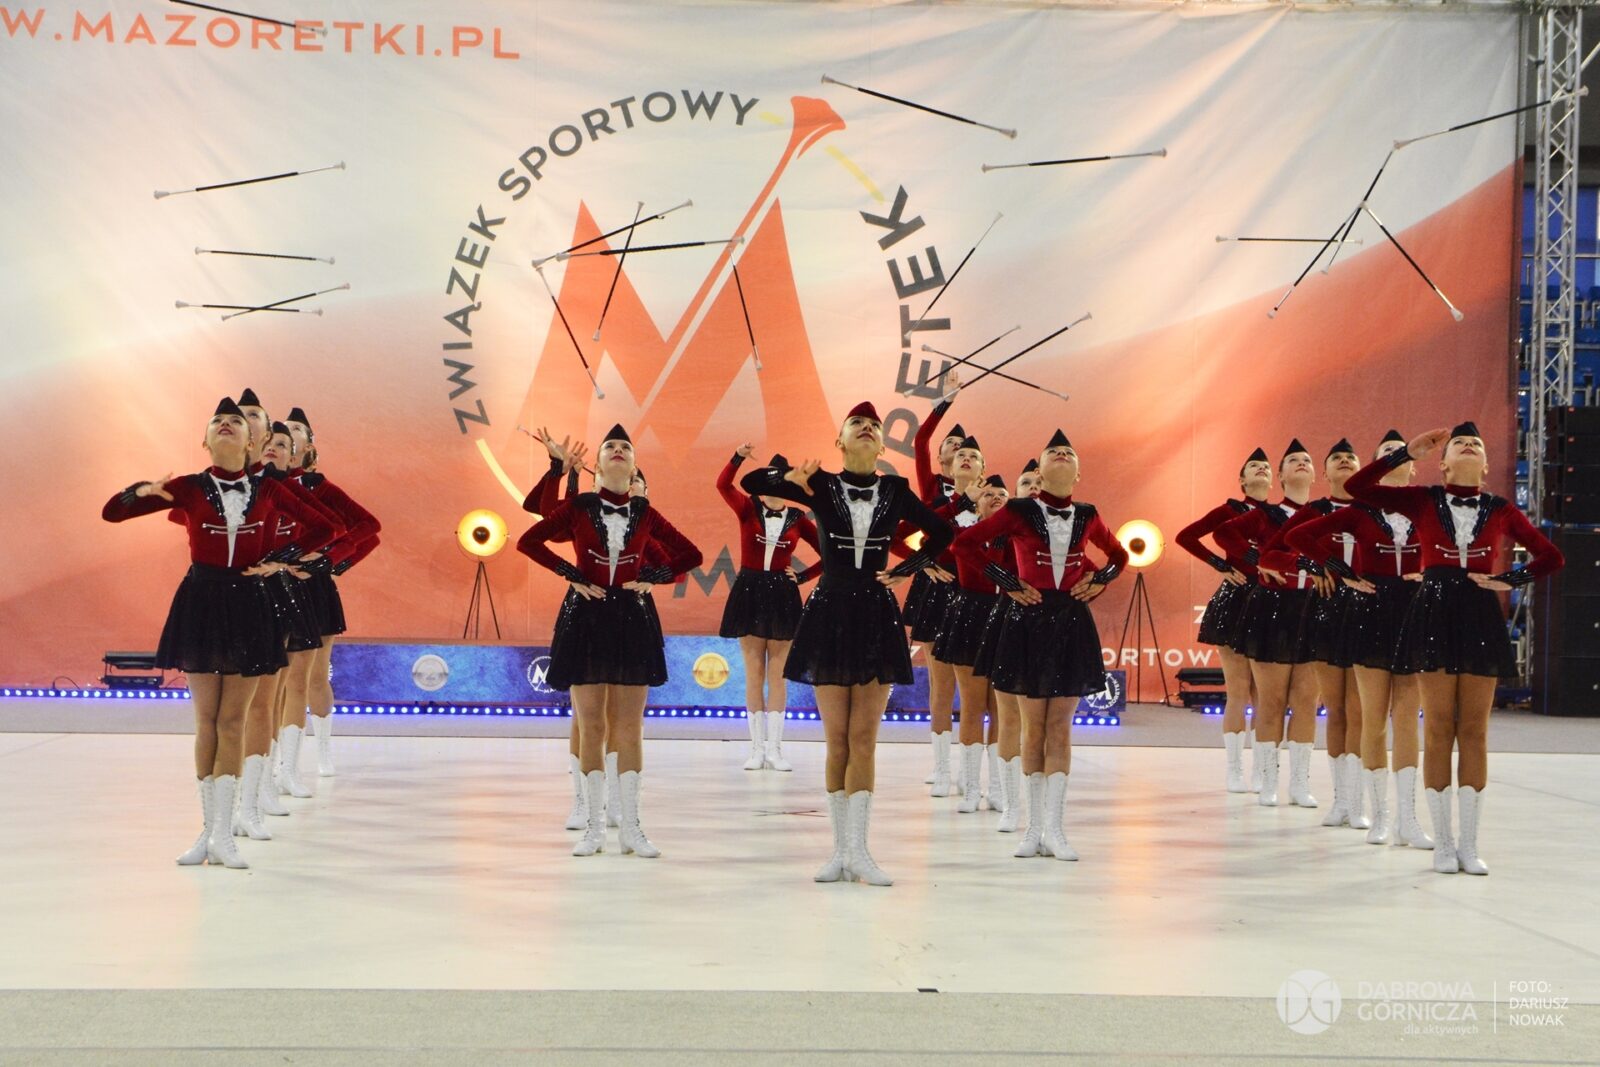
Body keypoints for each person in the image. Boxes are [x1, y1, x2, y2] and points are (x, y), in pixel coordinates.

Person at [102, 398, 338, 869]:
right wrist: (141, 490)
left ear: (251, 441)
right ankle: (206, 832)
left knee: (234, 721)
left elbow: (324, 527)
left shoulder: (269, 489)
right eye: (218, 422)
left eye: (236, 421)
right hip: (202, 605)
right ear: (205, 440)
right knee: (205, 722)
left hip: (251, 606)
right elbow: (112, 513)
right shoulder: (189, 487)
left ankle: (225, 835)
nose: (227, 425)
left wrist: (281, 560)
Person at [740, 402, 954, 887]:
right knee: (836, 739)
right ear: (840, 442)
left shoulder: (895, 490)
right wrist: (788, 477)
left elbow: (942, 532)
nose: (867, 428)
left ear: (881, 447)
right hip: (829, 611)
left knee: (864, 738)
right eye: (857, 423)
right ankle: (839, 851)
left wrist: (906, 569)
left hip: (876, 613)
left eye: (874, 426)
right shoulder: (820, 484)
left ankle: (860, 850)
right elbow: (751, 483)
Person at [1344, 423, 1563, 874]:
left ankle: (1469, 844)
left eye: (1476, 444)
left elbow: (1551, 556)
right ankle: (1443, 842)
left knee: (1476, 731)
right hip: (1434, 609)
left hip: (1480, 611)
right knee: (1440, 727)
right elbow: (1357, 487)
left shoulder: (1501, 509)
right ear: (1443, 464)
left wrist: (1510, 580)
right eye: (1460, 442)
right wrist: (1406, 453)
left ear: (1485, 465)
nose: (1467, 444)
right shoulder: (1423, 499)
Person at [517, 424, 703, 858]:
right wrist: (571, 574)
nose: (618, 450)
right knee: (591, 724)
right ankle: (593, 827)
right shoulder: (580, 506)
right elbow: (530, 539)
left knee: (629, 727)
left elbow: (690, 555)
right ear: (597, 466)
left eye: (625, 447)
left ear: (634, 467)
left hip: (632, 619)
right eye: (610, 447)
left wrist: (654, 576)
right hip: (586, 615)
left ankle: (631, 828)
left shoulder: (644, 511)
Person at [952, 430, 1127, 861]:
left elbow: (1119, 555)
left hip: (1070, 621)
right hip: (1026, 621)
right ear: (1040, 471)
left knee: (1060, 727)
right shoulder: (1018, 510)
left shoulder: (1088, 514)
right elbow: (964, 543)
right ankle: (1032, 828)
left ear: (1078, 473)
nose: (1062, 453)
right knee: (1032, 727)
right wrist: (1008, 582)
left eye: (1069, 451)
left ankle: (1056, 829)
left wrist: (1100, 580)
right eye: (1053, 451)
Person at [1282, 430, 1432, 848]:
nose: (1396, 456)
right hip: (1367, 611)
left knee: (1407, 719)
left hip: (1413, 612)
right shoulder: (1361, 509)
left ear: (1415, 468)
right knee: (1364, 715)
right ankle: (1373, 813)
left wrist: (1434, 576)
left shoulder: (1429, 507)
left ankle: (1408, 819)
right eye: (1387, 453)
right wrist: (1336, 569)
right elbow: (1295, 538)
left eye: (1401, 454)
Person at [1214, 441, 1319, 808]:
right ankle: (1268, 780)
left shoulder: (1324, 513)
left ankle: (1300, 783)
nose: (1302, 463)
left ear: (1315, 474)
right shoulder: (1266, 514)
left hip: (1312, 608)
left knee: (1306, 702)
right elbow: (1223, 535)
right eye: (1293, 460)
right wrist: (1259, 559)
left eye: (1307, 460)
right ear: (1281, 476)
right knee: (1269, 700)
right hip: (1272, 607)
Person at [717, 445, 822, 771]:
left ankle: (775, 749)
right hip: (749, 591)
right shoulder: (747, 507)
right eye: (769, 484)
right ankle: (756, 749)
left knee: (778, 676)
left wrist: (802, 577)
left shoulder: (798, 518)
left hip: (782, 595)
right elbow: (723, 485)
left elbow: (828, 553)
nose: (774, 490)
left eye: (781, 484)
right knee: (754, 674)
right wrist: (737, 456)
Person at [1175, 447, 1273, 793]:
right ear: (1242, 480)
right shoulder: (1229, 511)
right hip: (1236, 601)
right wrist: (1220, 564)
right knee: (1238, 691)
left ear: (1273, 479)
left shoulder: (1280, 514)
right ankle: (1234, 769)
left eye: (1266, 467)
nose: (1261, 469)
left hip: (1271, 601)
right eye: (1254, 466)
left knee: (1266, 695)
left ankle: (1263, 771)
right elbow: (1186, 536)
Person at [932, 474, 1012, 816]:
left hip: (1006, 618)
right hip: (969, 617)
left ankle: (997, 788)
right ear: (977, 503)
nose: (995, 498)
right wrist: (962, 500)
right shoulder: (963, 532)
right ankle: (970, 787)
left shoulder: (1018, 538)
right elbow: (935, 529)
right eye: (988, 494)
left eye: (1002, 494)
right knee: (972, 706)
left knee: (1001, 710)